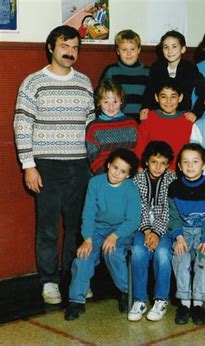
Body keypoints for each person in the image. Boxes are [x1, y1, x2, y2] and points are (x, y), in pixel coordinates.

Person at [13, 25, 94, 304]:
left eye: (75, 48)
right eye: (64, 46)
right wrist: (28, 165)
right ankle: (49, 282)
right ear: (51, 47)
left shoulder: (84, 82)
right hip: (46, 166)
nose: (70, 52)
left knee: (77, 227)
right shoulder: (33, 82)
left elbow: (91, 126)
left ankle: (75, 279)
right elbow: (22, 124)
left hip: (80, 166)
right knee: (47, 228)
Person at [64, 149, 141, 320]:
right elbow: (88, 213)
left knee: (112, 252)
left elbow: (133, 220)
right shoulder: (95, 183)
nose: (116, 173)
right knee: (83, 256)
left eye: (122, 172)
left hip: (121, 230)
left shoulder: (131, 190)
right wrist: (88, 239)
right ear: (108, 165)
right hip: (97, 229)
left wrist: (115, 236)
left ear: (128, 175)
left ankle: (125, 291)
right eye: (115, 167)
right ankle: (76, 300)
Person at [168, 143, 205, 325]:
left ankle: (198, 303)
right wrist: (178, 236)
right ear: (180, 166)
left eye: (195, 161)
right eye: (186, 162)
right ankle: (184, 303)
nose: (190, 166)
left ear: (204, 164)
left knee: (204, 260)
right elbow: (173, 216)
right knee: (180, 258)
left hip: (204, 231)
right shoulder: (174, 187)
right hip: (182, 232)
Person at [127, 141, 177, 322]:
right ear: (146, 161)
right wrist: (148, 230)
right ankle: (139, 300)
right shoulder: (137, 180)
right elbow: (137, 208)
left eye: (163, 163)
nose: (158, 167)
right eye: (154, 162)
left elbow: (168, 209)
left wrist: (156, 232)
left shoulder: (172, 180)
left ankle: (161, 300)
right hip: (142, 228)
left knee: (163, 253)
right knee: (139, 251)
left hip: (164, 230)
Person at [141, 30, 205, 122]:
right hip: (158, 115)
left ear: (183, 49)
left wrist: (195, 113)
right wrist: (145, 107)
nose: (170, 51)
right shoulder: (157, 67)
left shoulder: (189, 67)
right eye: (166, 47)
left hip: (182, 117)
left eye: (174, 46)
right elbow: (149, 91)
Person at [135, 79, 193, 171]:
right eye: (163, 97)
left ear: (180, 97)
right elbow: (140, 147)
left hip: (178, 172)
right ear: (156, 97)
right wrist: (139, 168)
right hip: (152, 170)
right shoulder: (148, 118)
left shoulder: (187, 121)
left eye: (173, 97)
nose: (168, 101)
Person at [85, 79, 138, 174]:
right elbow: (94, 158)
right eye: (106, 102)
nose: (111, 107)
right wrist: (107, 177)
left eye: (115, 101)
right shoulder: (93, 127)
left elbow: (134, 153)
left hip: (127, 176)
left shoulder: (131, 124)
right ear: (98, 103)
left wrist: (127, 174)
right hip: (103, 177)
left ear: (121, 100)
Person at [100, 29, 150, 122]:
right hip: (116, 120)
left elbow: (152, 98)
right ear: (118, 51)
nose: (129, 53)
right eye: (124, 49)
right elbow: (101, 96)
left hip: (141, 122)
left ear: (139, 50)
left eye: (132, 49)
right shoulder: (112, 71)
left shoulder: (147, 72)